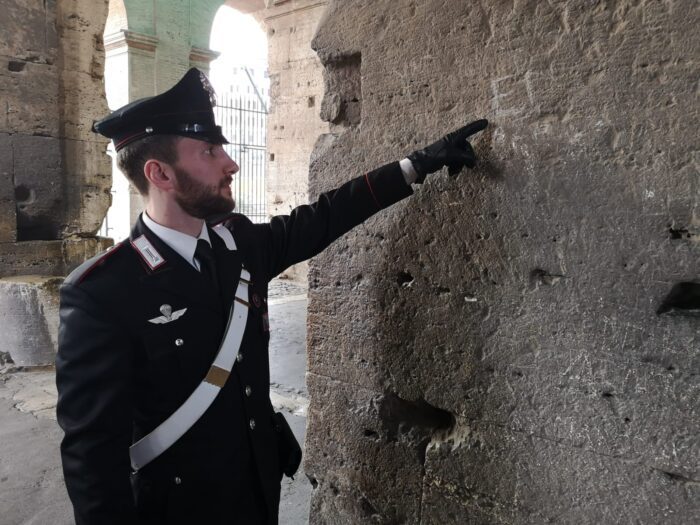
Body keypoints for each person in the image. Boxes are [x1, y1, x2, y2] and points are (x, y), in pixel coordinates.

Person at [55, 67, 488, 524]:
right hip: (180, 509)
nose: (230, 162)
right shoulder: (102, 293)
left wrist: (416, 165)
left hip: (258, 490)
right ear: (159, 173)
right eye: (208, 150)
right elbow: (92, 458)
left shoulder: (237, 243)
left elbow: (322, 219)